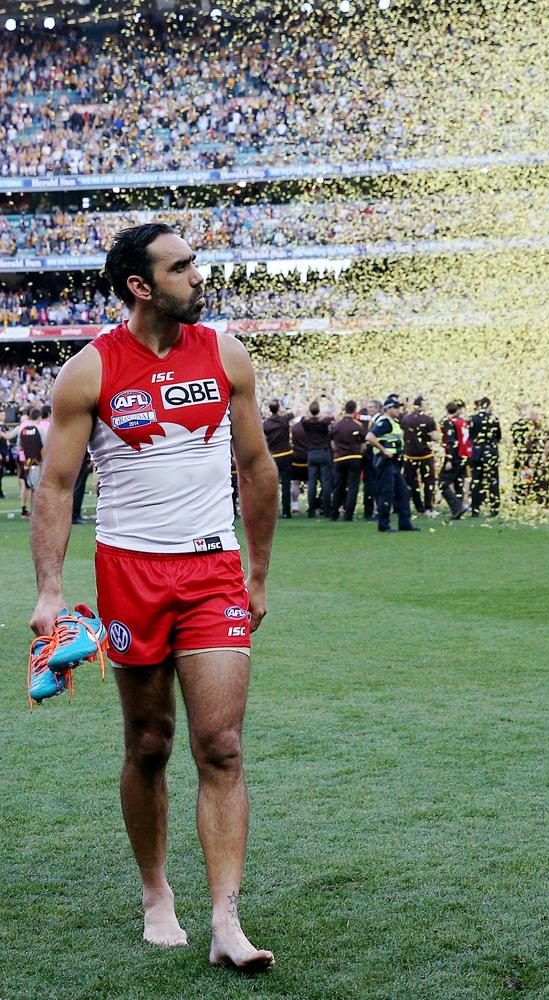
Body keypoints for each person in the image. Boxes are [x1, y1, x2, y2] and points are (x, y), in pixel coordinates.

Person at [30, 223, 278, 971]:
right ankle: (155, 894)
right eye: (182, 267)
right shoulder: (90, 370)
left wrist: (257, 574)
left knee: (222, 745)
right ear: (141, 285)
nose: (197, 276)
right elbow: (58, 487)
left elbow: (257, 469)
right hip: (130, 576)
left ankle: (227, 922)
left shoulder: (225, 353)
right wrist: (50, 592)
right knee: (148, 744)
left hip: (212, 575)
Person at [365, 394, 419, 533]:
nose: (398, 410)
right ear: (388, 409)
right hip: (385, 462)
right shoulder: (385, 422)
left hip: (393, 463)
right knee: (387, 493)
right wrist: (384, 450)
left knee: (403, 492)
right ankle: (384, 524)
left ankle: (405, 523)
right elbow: (369, 437)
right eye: (395, 407)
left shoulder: (393, 422)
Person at [400, 394, 438, 516]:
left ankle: (417, 506)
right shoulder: (428, 419)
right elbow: (434, 437)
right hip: (425, 455)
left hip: (409, 455)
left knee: (411, 482)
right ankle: (428, 508)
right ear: (421, 405)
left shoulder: (405, 419)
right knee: (429, 481)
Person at [329, 399, 366, 521]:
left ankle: (334, 513)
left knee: (338, 486)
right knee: (353, 486)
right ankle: (348, 514)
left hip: (339, 458)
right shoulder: (358, 425)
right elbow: (363, 444)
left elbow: (332, 443)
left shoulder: (337, 425)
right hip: (354, 457)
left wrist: (338, 452)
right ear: (355, 410)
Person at [468, 396, 501, 515]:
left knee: (476, 480)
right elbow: (498, 436)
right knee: (492, 479)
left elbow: (470, 436)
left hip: (477, 452)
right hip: (490, 452)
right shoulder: (494, 419)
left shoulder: (472, 419)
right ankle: (494, 507)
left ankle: (475, 508)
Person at [301, 399, 334, 518]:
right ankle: (326, 509)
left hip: (312, 453)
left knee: (312, 483)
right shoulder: (324, 422)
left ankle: (311, 510)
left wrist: (309, 402)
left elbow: (303, 414)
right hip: (324, 452)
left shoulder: (306, 423)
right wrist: (330, 397)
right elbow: (336, 412)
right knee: (326, 483)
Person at [262, 398, 294, 518]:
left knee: (272, 486)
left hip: (273, 457)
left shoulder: (266, 424)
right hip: (286, 455)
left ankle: (271, 512)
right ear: (279, 408)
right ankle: (286, 511)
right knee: (286, 485)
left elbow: (263, 441)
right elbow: (296, 411)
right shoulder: (284, 420)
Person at [438, 401, 470, 519]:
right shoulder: (463, 422)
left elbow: (451, 442)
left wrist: (449, 459)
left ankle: (457, 507)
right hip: (463, 455)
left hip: (455, 456)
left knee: (443, 482)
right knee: (458, 482)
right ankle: (458, 508)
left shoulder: (450, 423)